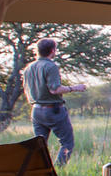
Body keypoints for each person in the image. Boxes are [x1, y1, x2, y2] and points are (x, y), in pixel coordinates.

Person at [21, 38, 86, 166]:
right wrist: (74, 88)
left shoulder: (28, 68)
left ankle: (40, 172)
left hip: (36, 110)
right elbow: (55, 89)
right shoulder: (50, 66)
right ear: (52, 50)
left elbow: (26, 89)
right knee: (67, 143)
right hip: (53, 110)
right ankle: (58, 169)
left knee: (40, 145)